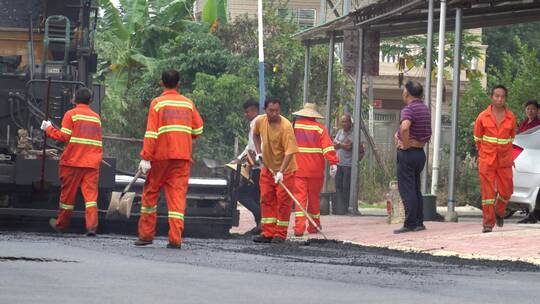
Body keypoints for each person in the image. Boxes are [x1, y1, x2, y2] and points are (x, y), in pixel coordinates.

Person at [134, 69, 204, 249]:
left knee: (151, 193)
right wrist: (183, 137)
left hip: (160, 157)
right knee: (177, 198)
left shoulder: (157, 103)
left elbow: (151, 133)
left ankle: (146, 235)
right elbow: (198, 130)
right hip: (182, 158)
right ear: (179, 83)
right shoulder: (188, 104)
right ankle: (175, 239)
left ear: (161, 82)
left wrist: (146, 158)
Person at [41, 87, 102, 236]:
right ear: (91, 101)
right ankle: (91, 227)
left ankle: (61, 225)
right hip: (92, 162)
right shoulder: (96, 117)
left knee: (68, 197)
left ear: (74, 99)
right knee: (91, 198)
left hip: (73, 162)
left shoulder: (71, 114)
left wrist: (48, 128)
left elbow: (63, 137)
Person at [252, 98, 298, 243]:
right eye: (271, 110)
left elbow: (290, 152)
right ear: (265, 110)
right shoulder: (260, 121)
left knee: (283, 203)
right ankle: (268, 232)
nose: (274, 113)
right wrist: (259, 152)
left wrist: (281, 172)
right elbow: (255, 134)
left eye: (277, 110)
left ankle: (280, 234)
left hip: (286, 170)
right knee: (266, 198)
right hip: (267, 167)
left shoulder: (286, 126)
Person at [291, 103, 339, 236]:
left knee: (300, 199)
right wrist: (333, 162)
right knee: (314, 199)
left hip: (298, 169)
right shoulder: (320, 128)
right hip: (316, 171)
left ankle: (299, 228)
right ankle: (314, 226)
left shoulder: (294, 126)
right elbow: (328, 148)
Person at [474, 85, 516, 233]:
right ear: (492, 97)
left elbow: (511, 138)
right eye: (497, 96)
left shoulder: (511, 117)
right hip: (487, 160)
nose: (499, 99)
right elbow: (478, 139)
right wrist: (484, 155)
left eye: (502, 96)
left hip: (504, 160)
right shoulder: (482, 117)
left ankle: (499, 210)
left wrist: (509, 156)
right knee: (487, 194)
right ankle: (488, 223)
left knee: (507, 191)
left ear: (505, 98)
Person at [394, 80, 432, 234]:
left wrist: (405, 143)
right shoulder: (425, 109)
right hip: (420, 154)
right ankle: (418, 222)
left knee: (407, 189)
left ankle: (409, 223)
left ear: (407, 93)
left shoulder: (409, 109)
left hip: (408, 154)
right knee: (415, 188)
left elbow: (405, 127)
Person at [233, 99, 262, 234]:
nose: (245, 114)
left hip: (259, 167)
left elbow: (252, 148)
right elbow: (249, 146)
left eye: (247, 112)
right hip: (258, 166)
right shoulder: (257, 122)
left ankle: (262, 221)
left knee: (242, 194)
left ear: (254, 110)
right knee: (256, 196)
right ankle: (260, 225)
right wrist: (239, 158)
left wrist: (241, 160)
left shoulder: (256, 123)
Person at [333, 114, 353, 215]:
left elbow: (349, 146)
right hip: (338, 164)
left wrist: (339, 143)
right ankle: (339, 208)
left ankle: (346, 208)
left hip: (348, 165)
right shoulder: (340, 132)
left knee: (346, 187)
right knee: (338, 186)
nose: (344, 123)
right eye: (342, 122)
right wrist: (342, 144)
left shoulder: (353, 133)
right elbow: (334, 145)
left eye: (346, 121)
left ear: (350, 122)